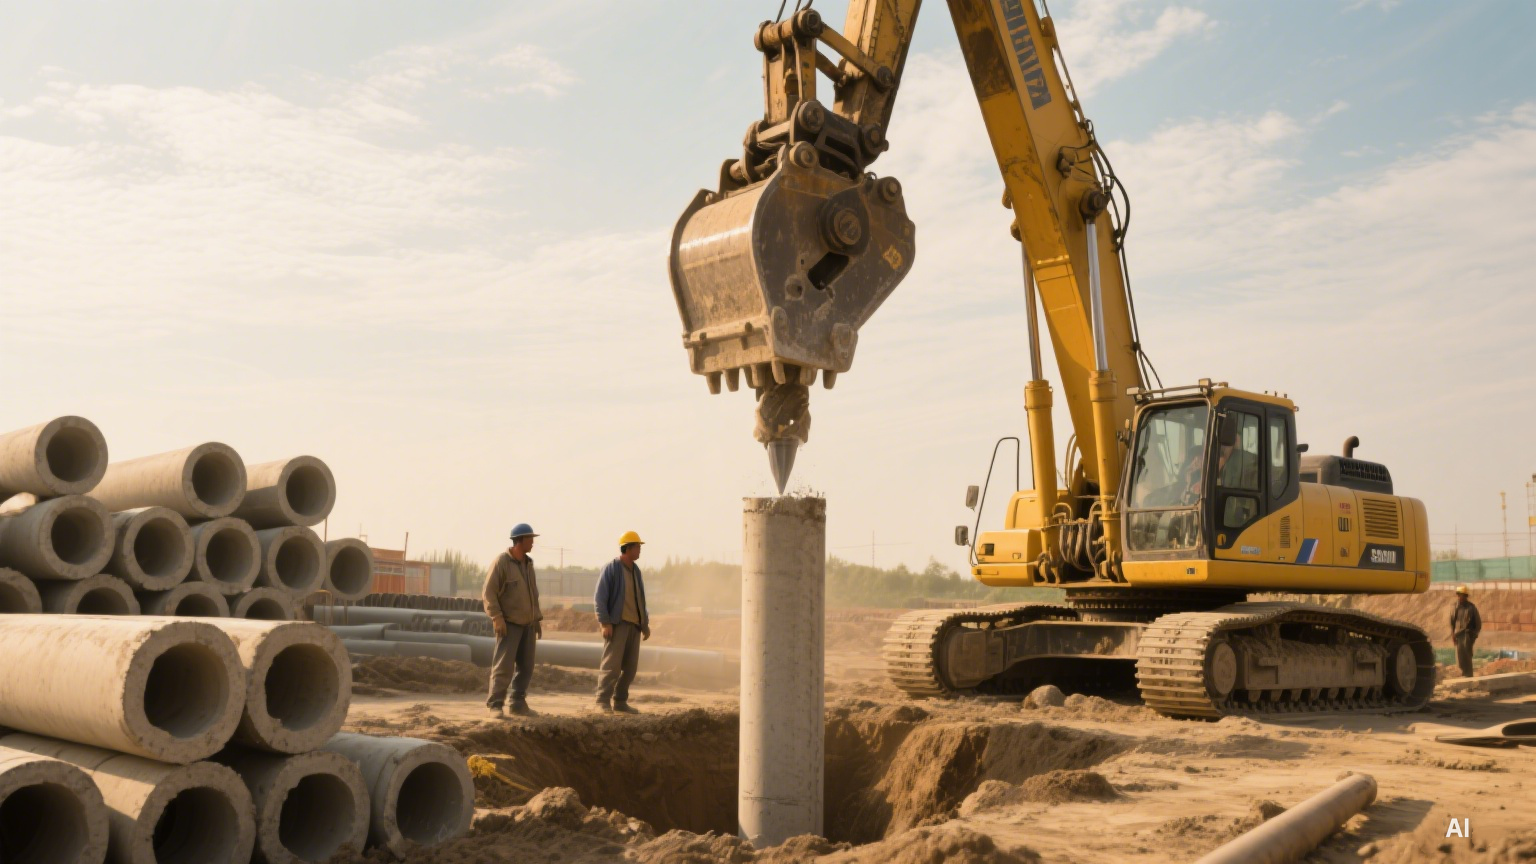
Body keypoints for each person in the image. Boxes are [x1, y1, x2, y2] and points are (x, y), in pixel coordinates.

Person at [482, 523, 544, 716]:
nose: (533, 542)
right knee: (503, 667)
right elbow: (489, 592)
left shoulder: (529, 564)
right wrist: (497, 618)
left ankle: (518, 703)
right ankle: (495, 705)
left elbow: (533, 595)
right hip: (509, 625)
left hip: (528, 625)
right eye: (530, 539)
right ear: (520, 540)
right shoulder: (502, 563)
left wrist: (536, 620)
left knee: (526, 666)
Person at [594, 530, 650, 714]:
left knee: (630, 668)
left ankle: (620, 701)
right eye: (637, 547)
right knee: (612, 666)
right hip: (617, 624)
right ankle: (602, 701)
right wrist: (605, 622)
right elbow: (600, 597)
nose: (640, 551)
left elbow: (640, 599)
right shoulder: (612, 568)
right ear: (628, 548)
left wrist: (644, 624)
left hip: (634, 626)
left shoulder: (636, 571)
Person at [1450, 585, 1481, 678]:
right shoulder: (1455, 607)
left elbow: (1478, 624)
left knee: (1467, 657)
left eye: (1462, 595)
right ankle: (1463, 676)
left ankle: (1469, 677)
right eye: (1459, 595)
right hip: (1458, 635)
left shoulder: (1471, 608)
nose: (1460, 597)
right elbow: (1452, 622)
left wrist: (1473, 636)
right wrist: (1453, 635)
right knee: (1460, 658)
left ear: (1466, 596)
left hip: (1468, 635)